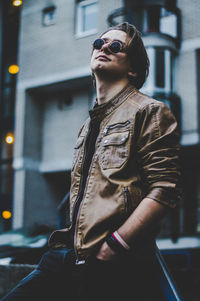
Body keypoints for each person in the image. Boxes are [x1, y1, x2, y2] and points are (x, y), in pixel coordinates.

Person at [1, 22, 181, 301]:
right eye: (99, 43)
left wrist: (115, 245)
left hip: (109, 260)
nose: (104, 48)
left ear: (133, 69)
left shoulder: (150, 111)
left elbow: (164, 188)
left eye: (116, 46)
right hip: (66, 254)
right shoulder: (87, 126)